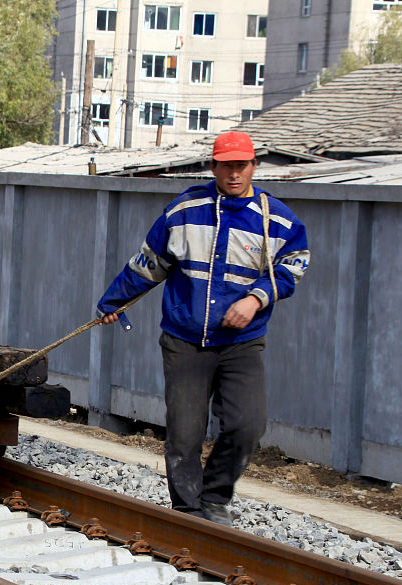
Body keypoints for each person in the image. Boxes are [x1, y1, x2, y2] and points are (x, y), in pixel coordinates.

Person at [96, 131, 309, 526]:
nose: (234, 173)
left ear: (253, 166)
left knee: (247, 425)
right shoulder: (184, 210)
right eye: (226, 166)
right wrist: (113, 302)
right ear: (213, 167)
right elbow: (150, 264)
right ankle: (189, 513)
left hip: (241, 343)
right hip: (185, 341)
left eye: (241, 165)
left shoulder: (277, 220)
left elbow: (292, 266)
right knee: (184, 434)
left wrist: (256, 298)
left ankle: (214, 498)